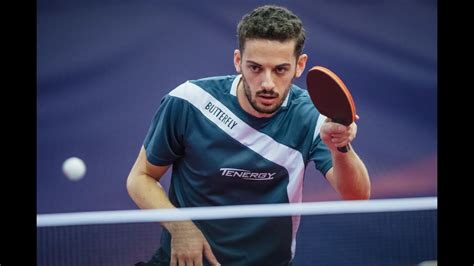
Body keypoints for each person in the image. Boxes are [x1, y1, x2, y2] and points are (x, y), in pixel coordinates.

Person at [127, 4, 370, 266]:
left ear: (299, 65)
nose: (267, 83)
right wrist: (181, 227)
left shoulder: (312, 117)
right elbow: (140, 177)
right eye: (255, 68)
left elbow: (356, 196)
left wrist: (340, 147)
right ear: (237, 61)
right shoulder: (189, 102)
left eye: (280, 69)